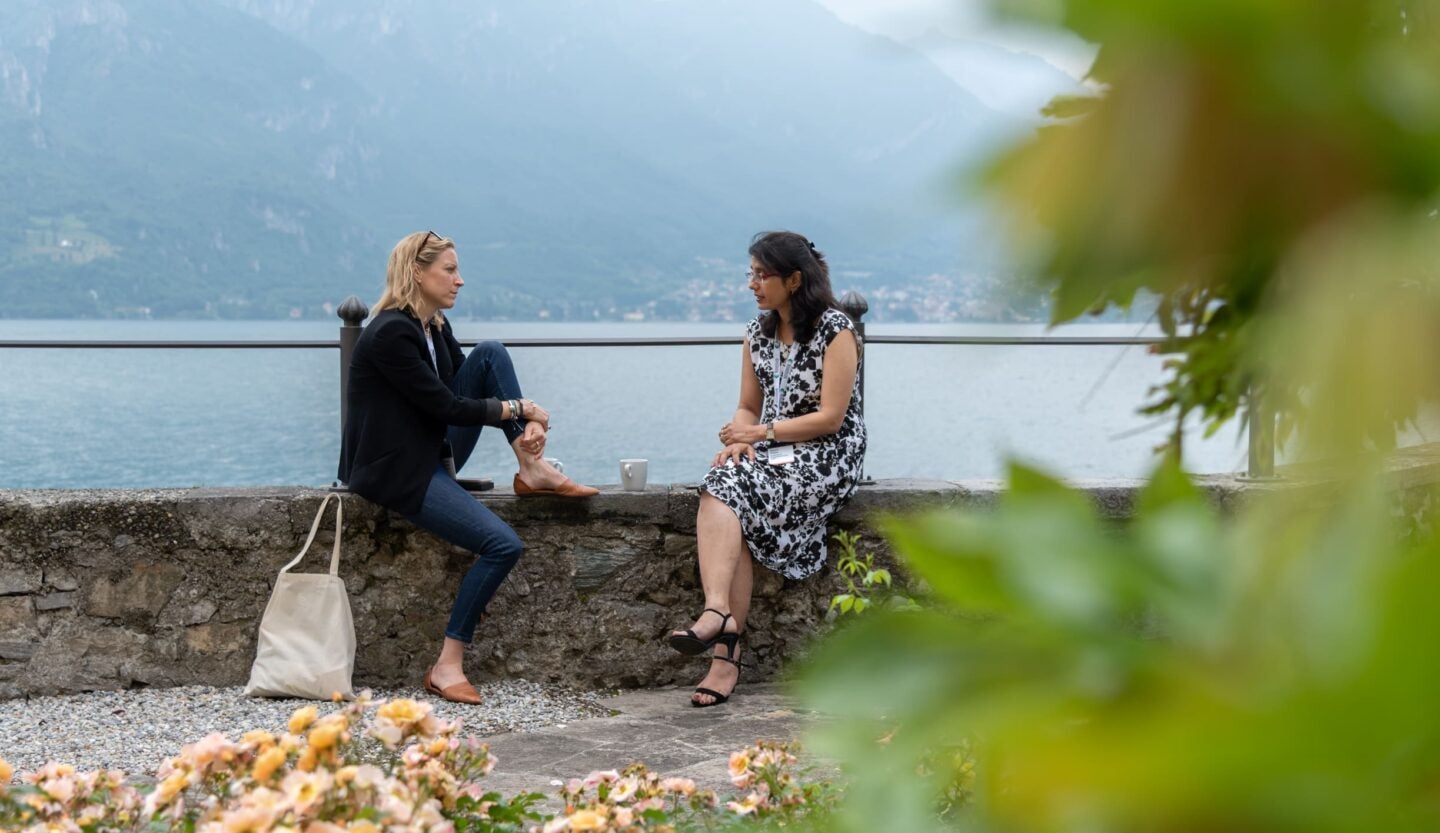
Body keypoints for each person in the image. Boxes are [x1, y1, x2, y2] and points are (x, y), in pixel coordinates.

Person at [338, 230, 597, 705]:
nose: (460, 280)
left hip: (430, 449)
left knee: (491, 352)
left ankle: (530, 465)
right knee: (503, 545)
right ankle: (447, 664)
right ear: (417, 273)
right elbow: (448, 406)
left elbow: (472, 388)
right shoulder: (391, 331)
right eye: (450, 270)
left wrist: (522, 420)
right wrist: (521, 408)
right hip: (398, 469)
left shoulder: (432, 325)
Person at [667, 230, 866, 707]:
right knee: (721, 481)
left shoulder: (836, 329)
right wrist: (739, 437)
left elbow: (831, 418)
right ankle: (719, 617)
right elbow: (746, 405)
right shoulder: (757, 333)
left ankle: (724, 651)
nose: (752, 284)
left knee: (733, 491)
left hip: (828, 455)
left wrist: (758, 434)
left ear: (794, 280)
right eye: (751, 273)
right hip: (775, 451)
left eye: (762, 275)